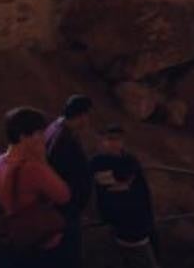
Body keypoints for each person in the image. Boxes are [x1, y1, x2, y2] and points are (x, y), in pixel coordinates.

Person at [0, 107, 71, 267]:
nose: (43, 138)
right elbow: (64, 195)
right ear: (23, 137)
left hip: (17, 235)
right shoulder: (33, 168)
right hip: (43, 239)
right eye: (39, 133)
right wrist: (43, 161)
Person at [90, 125, 159, 267]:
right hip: (116, 220)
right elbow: (116, 181)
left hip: (135, 221)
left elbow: (124, 180)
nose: (114, 143)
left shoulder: (130, 161)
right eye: (110, 139)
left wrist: (113, 181)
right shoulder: (97, 163)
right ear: (102, 141)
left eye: (117, 139)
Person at [45, 95, 93, 268]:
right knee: (68, 258)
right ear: (81, 115)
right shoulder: (63, 138)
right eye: (87, 115)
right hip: (65, 208)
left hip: (64, 205)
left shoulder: (55, 129)